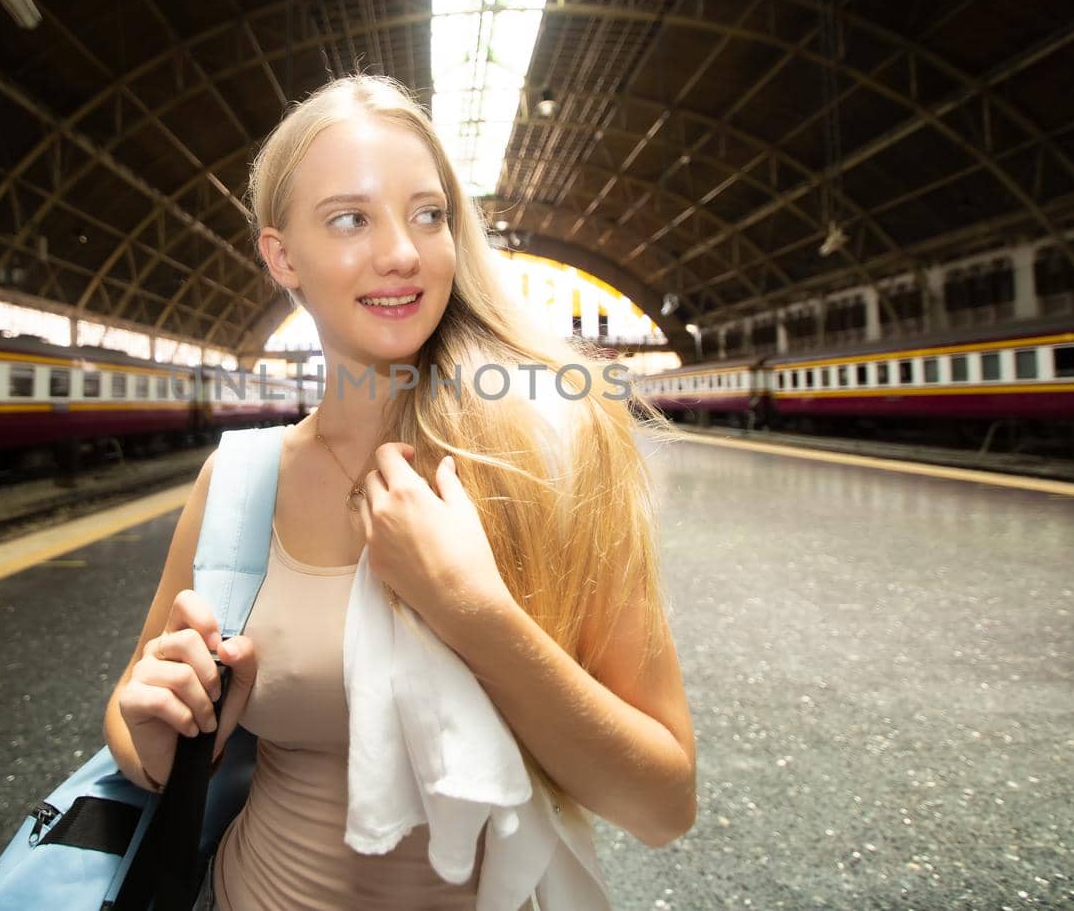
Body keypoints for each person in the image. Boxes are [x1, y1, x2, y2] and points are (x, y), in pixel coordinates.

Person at [104, 74, 696, 909]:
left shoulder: (555, 456)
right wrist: (157, 728)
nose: (403, 252)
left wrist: (469, 609)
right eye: (351, 218)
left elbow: (665, 804)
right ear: (281, 256)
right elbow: (135, 720)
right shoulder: (237, 482)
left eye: (428, 214)